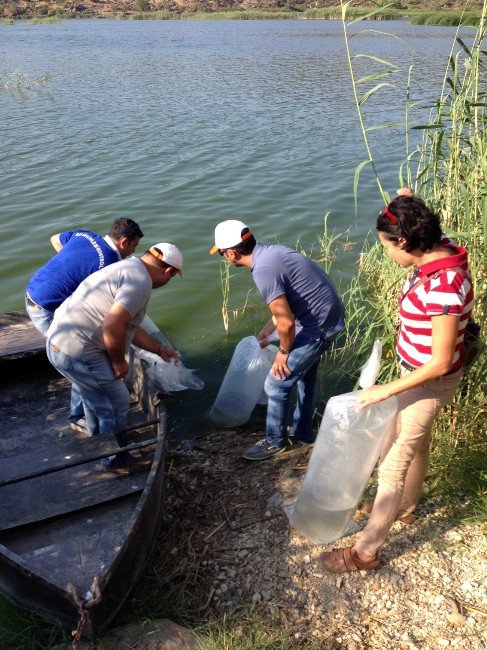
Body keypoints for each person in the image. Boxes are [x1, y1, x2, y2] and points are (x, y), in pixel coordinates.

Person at [319, 190, 474, 573]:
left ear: (404, 241)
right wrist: (406, 199)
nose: (387, 254)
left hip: (427, 383)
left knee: (392, 464)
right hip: (414, 377)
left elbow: (439, 362)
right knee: (415, 446)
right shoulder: (440, 247)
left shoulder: (444, 287)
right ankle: (405, 507)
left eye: (387, 246)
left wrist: (384, 389)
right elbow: (415, 219)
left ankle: (365, 553)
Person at [210, 220, 345, 461]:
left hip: (318, 326)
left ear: (232, 252)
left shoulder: (262, 270)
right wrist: (269, 326)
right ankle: (303, 433)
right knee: (305, 376)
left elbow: (287, 324)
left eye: (222, 254)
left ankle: (275, 441)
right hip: (326, 316)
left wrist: (283, 352)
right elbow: (290, 304)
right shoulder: (271, 253)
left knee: (276, 382)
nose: (224, 259)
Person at [46, 243, 183, 469]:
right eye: (172, 277)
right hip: (76, 351)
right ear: (168, 271)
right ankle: (115, 459)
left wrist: (159, 348)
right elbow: (113, 325)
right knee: (116, 400)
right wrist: (118, 361)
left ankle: (103, 446)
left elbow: (127, 323)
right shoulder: (141, 282)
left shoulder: (129, 266)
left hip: (58, 342)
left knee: (96, 398)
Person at [25, 218, 144, 431]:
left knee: (79, 360)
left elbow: (55, 239)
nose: (132, 252)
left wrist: (68, 265)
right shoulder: (108, 265)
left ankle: (81, 414)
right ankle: (81, 418)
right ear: (124, 241)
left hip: (32, 293)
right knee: (79, 358)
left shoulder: (85, 235)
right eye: (133, 246)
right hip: (49, 308)